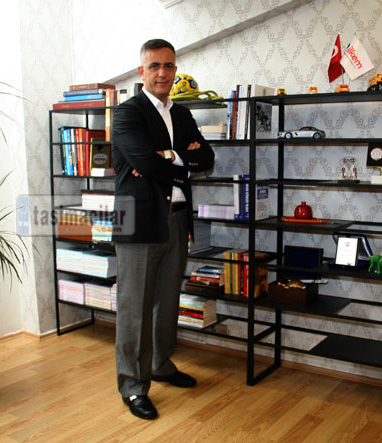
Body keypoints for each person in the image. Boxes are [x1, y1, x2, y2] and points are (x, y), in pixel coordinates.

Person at [111, 38, 215, 420]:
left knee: (168, 300)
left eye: (168, 66)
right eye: (154, 66)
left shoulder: (183, 115)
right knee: (134, 307)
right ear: (142, 71)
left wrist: (169, 157)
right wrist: (181, 162)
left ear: (175, 70)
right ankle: (132, 386)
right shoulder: (127, 113)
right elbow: (144, 162)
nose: (162, 73)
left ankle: (160, 364)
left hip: (176, 217)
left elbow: (207, 158)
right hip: (137, 218)